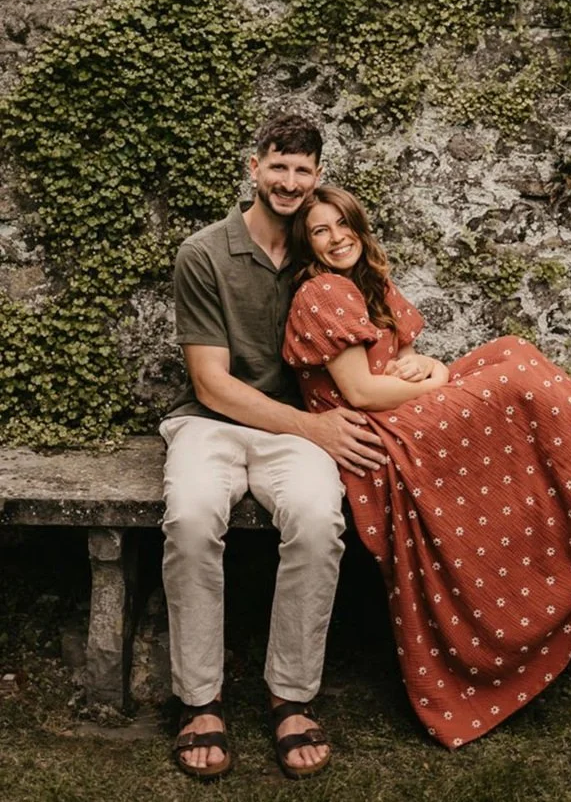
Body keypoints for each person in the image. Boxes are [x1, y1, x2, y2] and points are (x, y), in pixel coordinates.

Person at [282, 185, 571, 749]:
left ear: (358, 226)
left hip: (401, 409)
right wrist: (440, 382)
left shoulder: (366, 282)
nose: (337, 237)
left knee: (511, 351)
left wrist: (428, 366)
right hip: (375, 436)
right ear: (307, 243)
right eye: (321, 231)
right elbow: (361, 392)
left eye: (343, 224)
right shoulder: (321, 291)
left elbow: (401, 359)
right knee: (514, 383)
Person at [160, 116, 387, 780]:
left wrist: (418, 366)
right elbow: (211, 382)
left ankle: (291, 695)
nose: (290, 181)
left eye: (302, 170)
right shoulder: (204, 252)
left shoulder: (322, 250)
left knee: (318, 519)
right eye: (278, 166)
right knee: (191, 517)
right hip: (211, 422)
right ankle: (199, 701)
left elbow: (375, 331)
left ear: (318, 176)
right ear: (253, 167)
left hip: (297, 429)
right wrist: (314, 429)